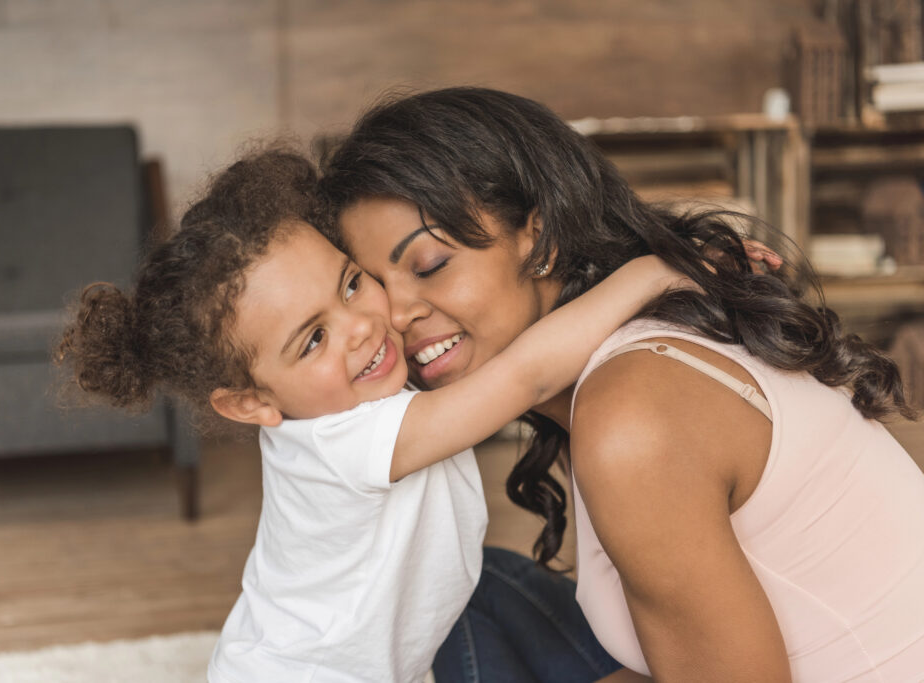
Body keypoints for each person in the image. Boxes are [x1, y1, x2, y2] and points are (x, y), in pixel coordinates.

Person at [319, 87, 924, 681]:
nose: (396, 317)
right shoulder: (640, 344)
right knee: (465, 589)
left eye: (429, 266)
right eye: (368, 287)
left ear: (542, 237)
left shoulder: (634, 414)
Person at [56, 148, 686, 683]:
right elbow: (526, 373)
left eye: (352, 283)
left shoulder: (349, 388)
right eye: (312, 340)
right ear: (252, 403)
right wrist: (656, 271)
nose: (360, 329)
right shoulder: (346, 439)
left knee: (494, 578)